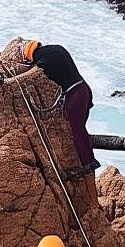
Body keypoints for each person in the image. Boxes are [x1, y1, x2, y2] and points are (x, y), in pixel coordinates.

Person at [22, 40, 99, 176]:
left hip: (75, 96)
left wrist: (5, 80)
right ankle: (90, 160)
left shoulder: (41, 62)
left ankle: (87, 164)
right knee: (81, 129)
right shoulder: (57, 49)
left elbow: (28, 76)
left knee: (74, 130)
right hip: (84, 89)